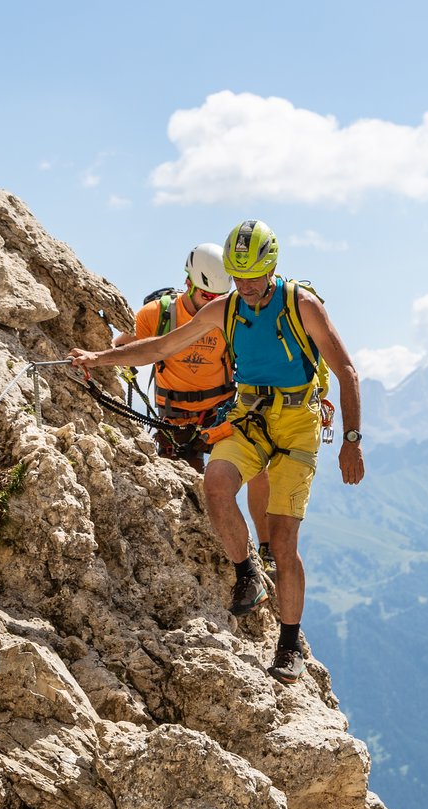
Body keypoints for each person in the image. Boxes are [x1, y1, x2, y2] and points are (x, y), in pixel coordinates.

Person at [70, 219, 364, 684]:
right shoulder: (226, 308)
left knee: (285, 541)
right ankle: (246, 571)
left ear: (271, 267)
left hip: (297, 424)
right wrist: (97, 359)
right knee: (216, 485)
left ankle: (288, 646)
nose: (245, 286)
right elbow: (162, 347)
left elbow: (346, 370)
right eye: (238, 275)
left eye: (253, 275)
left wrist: (351, 441)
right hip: (249, 415)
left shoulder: (300, 305)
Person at [112, 243, 274, 568]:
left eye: (219, 299)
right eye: (206, 297)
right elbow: (131, 347)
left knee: (259, 465)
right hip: (176, 421)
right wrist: (108, 356)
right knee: (195, 492)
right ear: (188, 284)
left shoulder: (231, 316)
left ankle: (267, 546)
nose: (212, 305)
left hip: (220, 411)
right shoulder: (156, 316)